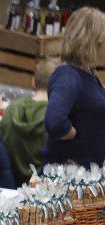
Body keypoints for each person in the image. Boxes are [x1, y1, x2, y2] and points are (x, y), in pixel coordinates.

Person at [43, 6, 105, 167]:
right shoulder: (68, 76)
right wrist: (74, 134)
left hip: (86, 174)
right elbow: (54, 121)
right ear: (94, 42)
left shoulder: (87, 71)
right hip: (69, 179)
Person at [0, 58, 59, 186]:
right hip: (48, 190)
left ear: (33, 82)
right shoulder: (58, 116)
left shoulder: (11, 109)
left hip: (12, 187)